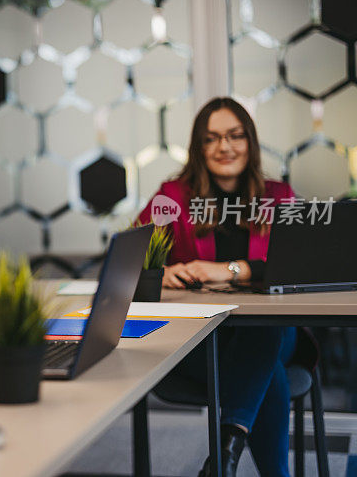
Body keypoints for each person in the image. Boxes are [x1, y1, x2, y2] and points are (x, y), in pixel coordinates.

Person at [138, 97, 297, 477]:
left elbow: (296, 268)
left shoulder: (279, 197)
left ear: (250, 142)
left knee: (263, 329)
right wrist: (163, 272)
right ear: (199, 147)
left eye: (235, 136)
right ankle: (235, 457)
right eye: (211, 138)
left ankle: (222, 457)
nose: (224, 147)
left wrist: (230, 270)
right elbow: (134, 257)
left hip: (273, 331)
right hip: (202, 337)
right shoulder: (173, 197)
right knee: (267, 372)